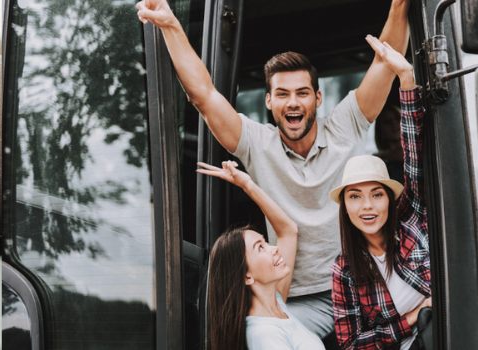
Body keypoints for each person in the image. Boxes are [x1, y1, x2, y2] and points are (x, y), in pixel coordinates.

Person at [136, 0, 412, 337]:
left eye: (302, 93)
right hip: (299, 301)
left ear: (318, 99)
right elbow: (203, 95)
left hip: (361, 286)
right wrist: (171, 26)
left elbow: (386, 63)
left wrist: (400, 6)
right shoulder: (256, 142)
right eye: (282, 94)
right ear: (269, 102)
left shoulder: (345, 125)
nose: (293, 102)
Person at [330, 36, 430, 350]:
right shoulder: (344, 268)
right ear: (345, 207)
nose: (367, 206)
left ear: (390, 198)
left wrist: (406, 78)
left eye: (376, 194)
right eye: (355, 197)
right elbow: (349, 344)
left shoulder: (411, 223)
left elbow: (414, 154)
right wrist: (414, 317)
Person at [197, 161, 322, 350]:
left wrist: (247, 184)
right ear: (247, 276)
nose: (274, 248)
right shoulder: (265, 334)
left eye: (265, 242)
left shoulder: (276, 304)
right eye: (260, 248)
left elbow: (288, 230)